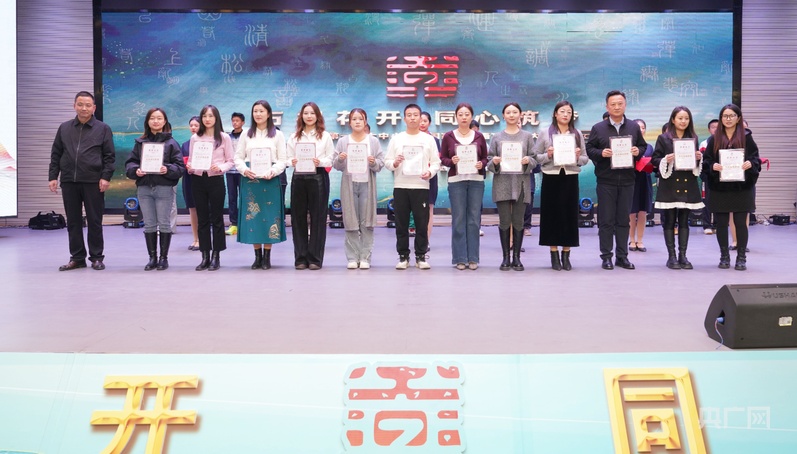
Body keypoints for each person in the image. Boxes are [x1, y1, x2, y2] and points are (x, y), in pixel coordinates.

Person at [48, 91, 115, 271]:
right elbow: (56, 154)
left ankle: (96, 257)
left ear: (94, 108)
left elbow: (109, 156)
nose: (84, 108)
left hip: (93, 181)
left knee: (94, 220)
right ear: (74, 106)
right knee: (73, 221)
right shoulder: (64, 128)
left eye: (87, 105)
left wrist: (105, 177)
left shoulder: (103, 128)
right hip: (69, 180)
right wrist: (53, 176)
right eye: (80, 104)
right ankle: (77, 258)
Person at [586, 90, 646, 270]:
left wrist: (638, 151)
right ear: (607, 106)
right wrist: (601, 153)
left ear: (625, 105)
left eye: (620, 103)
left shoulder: (633, 127)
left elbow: (642, 146)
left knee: (623, 220)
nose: (617, 107)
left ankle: (622, 256)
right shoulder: (598, 128)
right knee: (606, 220)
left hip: (627, 180)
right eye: (613, 104)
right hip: (606, 180)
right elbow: (589, 149)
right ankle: (606, 256)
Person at [124, 107, 185, 270]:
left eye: (159, 118)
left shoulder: (171, 143)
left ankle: (164, 258)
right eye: (152, 118)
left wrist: (167, 169)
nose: (156, 121)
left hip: (164, 188)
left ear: (165, 121)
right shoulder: (140, 143)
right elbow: (130, 163)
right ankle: (152, 258)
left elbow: (180, 167)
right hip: (144, 188)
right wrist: (136, 170)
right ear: (147, 121)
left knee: (164, 223)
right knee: (149, 224)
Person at [702, 104, 761, 271]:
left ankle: (741, 257)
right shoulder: (714, 139)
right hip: (720, 188)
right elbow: (706, 161)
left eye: (732, 116)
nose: (728, 119)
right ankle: (724, 256)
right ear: (721, 118)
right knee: (721, 223)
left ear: (738, 118)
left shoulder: (747, 137)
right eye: (725, 116)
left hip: (741, 187)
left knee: (740, 223)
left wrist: (750, 163)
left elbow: (755, 159)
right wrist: (712, 166)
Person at [533, 101, 589, 271]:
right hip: (551, 176)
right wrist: (548, 155)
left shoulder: (577, 134)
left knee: (569, 215)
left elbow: (585, 159)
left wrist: (577, 157)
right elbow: (536, 156)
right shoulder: (545, 133)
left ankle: (566, 253)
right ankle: (554, 254)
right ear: (555, 114)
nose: (566, 115)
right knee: (551, 215)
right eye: (562, 111)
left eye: (569, 112)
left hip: (570, 177)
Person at [384, 103, 441, 270]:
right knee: (401, 223)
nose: (413, 118)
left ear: (420, 117)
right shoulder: (397, 139)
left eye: (416, 115)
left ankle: (421, 256)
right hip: (401, 186)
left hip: (421, 186)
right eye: (409, 115)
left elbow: (436, 163)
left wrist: (430, 172)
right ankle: (403, 256)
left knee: (421, 223)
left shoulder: (428, 140)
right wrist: (395, 163)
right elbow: (387, 162)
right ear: (404, 119)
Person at [234, 100, 287, 270]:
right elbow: (238, 157)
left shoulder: (278, 135)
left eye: (261, 111)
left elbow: (282, 159)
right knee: (253, 217)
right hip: (251, 180)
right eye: (255, 111)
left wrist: (274, 170)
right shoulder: (246, 134)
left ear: (269, 114)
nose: (258, 114)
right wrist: (244, 170)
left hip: (270, 180)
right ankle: (257, 256)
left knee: (270, 217)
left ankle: (267, 257)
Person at [650, 106, 704, 270]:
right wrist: (666, 159)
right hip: (670, 184)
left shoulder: (693, 138)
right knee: (669, 220)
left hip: (687, 183)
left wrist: (698, 158)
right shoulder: (663, 138)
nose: (683, 121)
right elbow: (655, 160)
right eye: (680, 118)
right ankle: (671, 256)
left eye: (686, 118)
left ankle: (683, 255)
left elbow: (695, 162)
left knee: (684, 221)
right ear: (673, 120)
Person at [332, 108, 384, 269]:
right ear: (349, 123)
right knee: (351, 221)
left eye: (360, 119)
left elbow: (380, 163)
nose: (357, 122)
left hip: (367, 184)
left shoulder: (373, 141)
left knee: (367, 222)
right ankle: (352, 258)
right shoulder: (343, 141)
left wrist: (373, 162)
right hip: (349, 185)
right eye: (354, 119)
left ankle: (365, 258)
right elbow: (335, 164)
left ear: (365, 121)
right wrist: (340, 159)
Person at [487, 102, 536, 271]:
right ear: (503, 116)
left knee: (518, 221)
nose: (512, 115)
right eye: (508, 112)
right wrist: (494, 162)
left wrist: (528, 161)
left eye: (515, 112)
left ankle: (517, 257)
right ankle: (505, 257)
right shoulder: (497, 137)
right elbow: (489, 160)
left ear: (520, 115)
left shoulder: (527, 136)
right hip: (502, 182)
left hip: (521, 183)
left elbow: (534, 158)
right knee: (504, 221)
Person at [186, 105, 235, 271]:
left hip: (215, 180)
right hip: (197, 180)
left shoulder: (224, 137)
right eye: (204, 116)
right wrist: (190, 167)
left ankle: (216, 256)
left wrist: (220, 168)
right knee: (202, 219)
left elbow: (230, 161)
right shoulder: (195, 138)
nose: (207, 119)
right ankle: (204, 255)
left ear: (216, 118)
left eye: (210, 116)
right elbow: (191, 160)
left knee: (217, 218)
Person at [440, 103, 489, 270]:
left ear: (471, 116)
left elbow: (485, 158)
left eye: (467, 114)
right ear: (456, 117)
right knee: (459, 218)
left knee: (474, 219)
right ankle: (460, 258)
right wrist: (451, 161)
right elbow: (443, 158)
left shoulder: (479, 136)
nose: (463, 117)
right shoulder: (448, 136)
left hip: (476, 181)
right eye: (460, 114)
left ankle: (473, 257)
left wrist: (481, 164)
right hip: (456, 181)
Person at [287, 101, 334, 270]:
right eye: (305, 113)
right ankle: (300, 258)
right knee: (297, 217)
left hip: (318, 176)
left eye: (312, 113)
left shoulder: (325, 136)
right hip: (298, 177)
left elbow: (331, 158)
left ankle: (315, 258)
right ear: (301, 116)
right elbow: (287, 158)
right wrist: (291, 161)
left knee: (318, 217)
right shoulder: (294, 136)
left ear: (317, 116)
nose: (309, 116)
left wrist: (319, 161)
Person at [628, 119, 654, 253]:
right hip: (631, 180)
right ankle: (632, 239)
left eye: (643, 127)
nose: (641, 130)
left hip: (645, 180)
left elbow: (652, 163)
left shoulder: (649, 147)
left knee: (643, 211)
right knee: (632, 212)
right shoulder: (628, 146)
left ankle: (640, 240)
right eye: (638, 127)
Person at [419, 111, 440, 251]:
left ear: (429, 123)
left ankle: (426, 241)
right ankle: (417, 239)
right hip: (412, 178)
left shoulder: (434, 140)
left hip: (430, 178)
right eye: (420, 120)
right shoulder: (409, 139)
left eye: (425, 121)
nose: (422, 123)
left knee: (429, 209)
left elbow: (437, 161)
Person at [180, 116, 201, 250]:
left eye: (196, 125)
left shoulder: (207, 143)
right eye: (191, 125)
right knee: (192, 208)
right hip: (188, 178)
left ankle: (203, 239)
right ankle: (195, 239)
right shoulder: (185, 145)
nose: (193, 128)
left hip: (202, 178)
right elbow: (181, 162)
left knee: (202, 209)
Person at [224, 112, 245, 236]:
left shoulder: (246, 136)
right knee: (232, 197)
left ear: (243, 122)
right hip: (230, 171)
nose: (235, 123)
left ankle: (244, 223)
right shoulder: (227, 137)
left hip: (243, 171)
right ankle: (234, 224)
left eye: (237, 120)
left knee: (244, 197)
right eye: (233, 120)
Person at [699, 118, 719, 234]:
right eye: (713, 127)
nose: (716, 129)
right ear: (709, 129)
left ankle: (717, 225)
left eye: (718, 127)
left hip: (720, 177)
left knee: (718, 200)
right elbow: (701, 162)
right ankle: (706, 225)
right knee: (706, 201)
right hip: (707, 177)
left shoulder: (724, 142)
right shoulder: (704, 144)